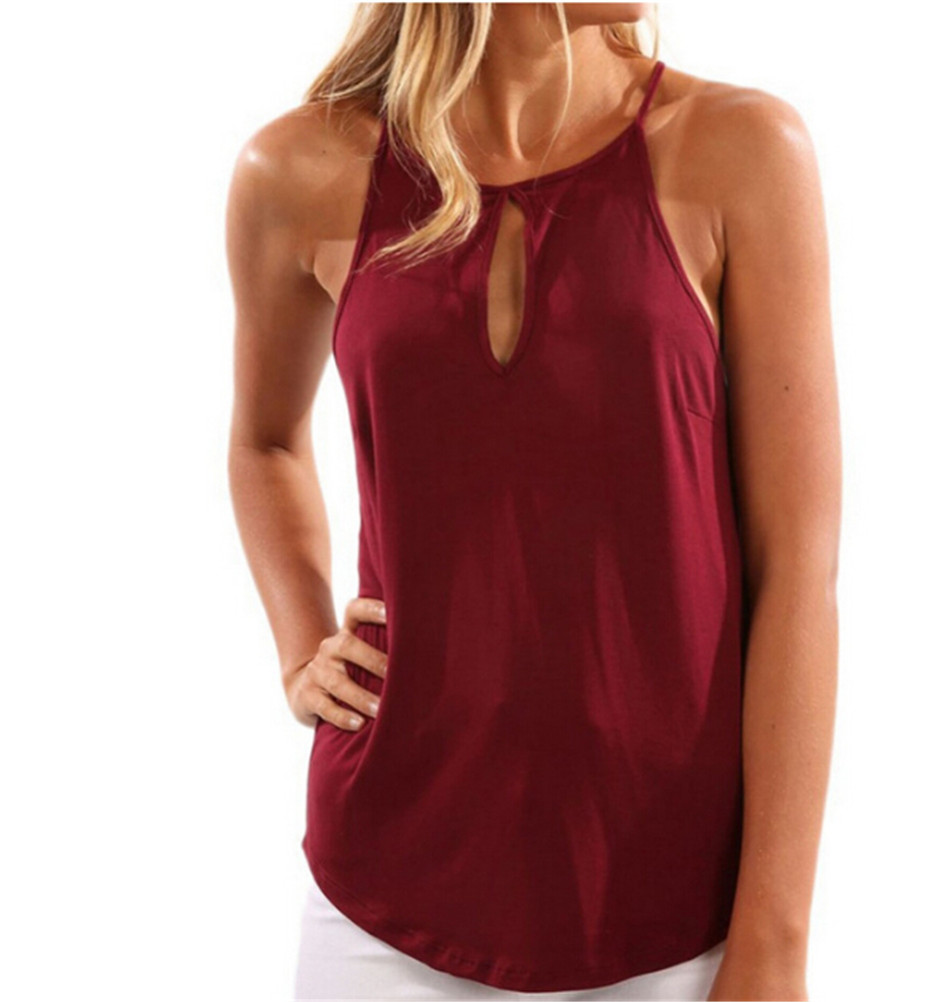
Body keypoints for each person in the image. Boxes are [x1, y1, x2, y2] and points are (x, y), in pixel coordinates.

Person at [226, 4, 841, 1000]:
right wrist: (302, 650)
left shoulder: (739, 151)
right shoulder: (299, 170)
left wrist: (775, 940)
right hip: (382, 896)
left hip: (670, 907)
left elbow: (799, 573)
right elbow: (264, 441)